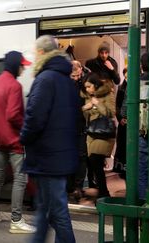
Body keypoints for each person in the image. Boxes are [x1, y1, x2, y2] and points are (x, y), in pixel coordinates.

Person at [20, 35, 79, 243]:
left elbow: (35, 117)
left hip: (48, 156)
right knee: (45, 209)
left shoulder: (45, 79)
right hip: (60, 154)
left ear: (42, 53)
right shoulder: (66, 79)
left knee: (56, 212)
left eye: (36, 53)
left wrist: (24, 138)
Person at [0, 50, 36, 234]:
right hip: (14, 140)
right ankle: (16, 220)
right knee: (20, 179)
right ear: (16, 65)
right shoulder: (14, 85)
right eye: (22, 65)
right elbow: (13, 115)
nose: (23, 69)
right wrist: (25, 129)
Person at [81, 73, 116, 199]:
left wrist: (97, 104)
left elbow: (111, 112)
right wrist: (86, 107)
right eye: (85, 87)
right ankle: (99, 191)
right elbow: (86, 115)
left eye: (89, 86)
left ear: (95, 84)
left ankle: (103, 193)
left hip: (104, 134)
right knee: (93, 163)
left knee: (95, 160)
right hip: (91, 133)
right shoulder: (87, 96)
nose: (87, 89)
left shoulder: (107, 93)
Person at [120, 53, 149, 199]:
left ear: (142, 66)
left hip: (140, 130)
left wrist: (124, 116)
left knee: (140, 168)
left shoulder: (135, 83)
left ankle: (142, 200)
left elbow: (126, 104)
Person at [66, 60, 90, 203]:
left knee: (81, 158)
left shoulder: (84, 82)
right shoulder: (63, 85)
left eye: (78, 75)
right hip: (69, 127)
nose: (76, 78)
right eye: (73, 76)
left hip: (80, 126)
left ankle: (77, 187)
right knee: (72, 157)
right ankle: (70, 187)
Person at [113, 68, 128, 176]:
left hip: (130, 123)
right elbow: (117, 105)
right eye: (126, 76)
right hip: (123, 123)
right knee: (122, 146)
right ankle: (122, 169)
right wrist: (120, 118)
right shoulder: (121, 88)